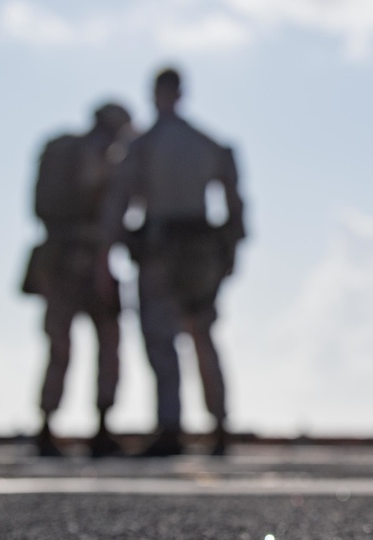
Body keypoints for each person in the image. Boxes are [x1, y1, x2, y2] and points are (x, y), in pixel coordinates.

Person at [102, 67, 246, 457]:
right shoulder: (206, 143)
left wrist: (108, 251)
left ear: (157, 95)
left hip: (161, 253)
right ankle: (217, 425)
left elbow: (119, 203)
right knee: (201, 338)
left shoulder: (143, 146)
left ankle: (172, 427)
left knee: (164, 342)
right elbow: (235, 207)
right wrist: (228, 254)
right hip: (198, 254)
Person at [24, 102, 133, 458]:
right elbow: (106, 219)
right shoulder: (100, 158)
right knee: (99, 343)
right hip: (83, 263)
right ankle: (96, 427)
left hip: (57, 261)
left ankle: (49, 424)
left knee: (61, 346)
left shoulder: (60, 151)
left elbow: (38, 208)